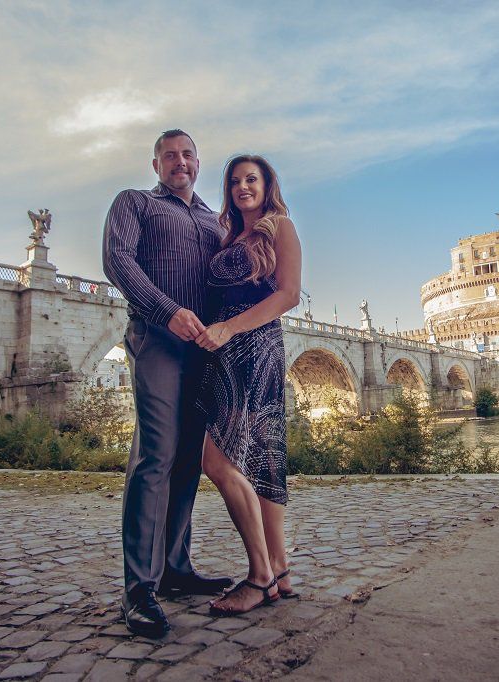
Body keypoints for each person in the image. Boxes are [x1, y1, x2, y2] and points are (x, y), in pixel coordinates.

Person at [102, 129, 233, 638]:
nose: (179, 162)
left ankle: (176, 567)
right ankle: (139, 588)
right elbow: (118, 261)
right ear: (155, 164)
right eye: (169, 156)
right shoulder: (135, 203)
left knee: (187, 459)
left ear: (198, 163)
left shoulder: (212, 219)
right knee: (155, 453)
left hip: (206, 349)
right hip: (158, 337)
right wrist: (167, 310)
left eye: (187, 155)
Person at [194, 155, 302, 615]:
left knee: (216, 461)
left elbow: (288, 295)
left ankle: (258, 577)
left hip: (254, 349)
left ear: (266, 184)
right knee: (260, 456)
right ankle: (278, 569)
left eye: (251, 179)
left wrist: (230, 329)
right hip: (223, 351)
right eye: (235, 181)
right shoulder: (228, 236)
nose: (243, 187)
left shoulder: (280, 226)